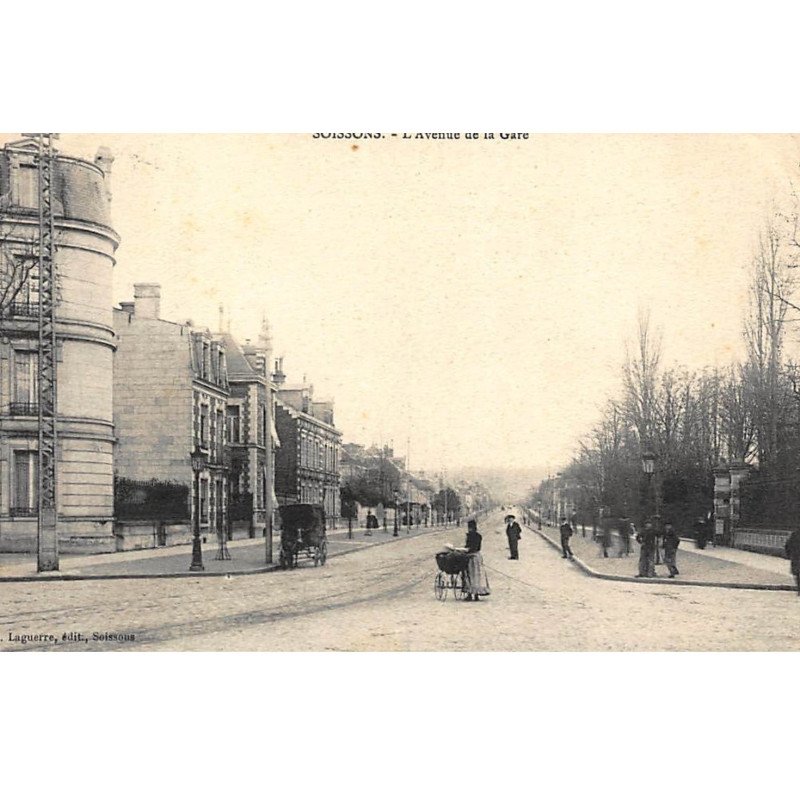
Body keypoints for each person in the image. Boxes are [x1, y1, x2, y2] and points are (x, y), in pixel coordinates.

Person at [463, 519, 491, 601]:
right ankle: (476, 595)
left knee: (469, 575)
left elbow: (471, 547)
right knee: (477, 576)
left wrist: (465, 550)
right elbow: (478, 547)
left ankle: (470, 594)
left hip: (471, 557)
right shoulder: (479, 536)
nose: (469, 529)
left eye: (469, 527)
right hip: (478, 557)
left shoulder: (470, 536)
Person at [785, 528, 800, 596]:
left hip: (796, 557)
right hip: (796, 557)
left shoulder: (794, 534)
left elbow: (787, 546)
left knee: (797, 574)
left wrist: (789, 555)